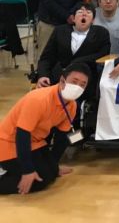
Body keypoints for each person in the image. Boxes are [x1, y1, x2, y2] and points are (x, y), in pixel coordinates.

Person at [0, 62, 92, 195]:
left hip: (36, 143)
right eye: (74, 81)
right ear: (62, 81)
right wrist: (27, 170)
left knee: (50, 173)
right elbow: (22, 134)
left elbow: (62, 137)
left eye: (83, 85)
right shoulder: (38, 99)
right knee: (39, 180)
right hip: (9, 142)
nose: (78, 87)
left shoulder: (72, 106)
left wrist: (54, 167)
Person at [36, 2, 110, 105]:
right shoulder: (60, 31)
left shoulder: (101, 33)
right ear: (73, 18)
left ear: (93, 20)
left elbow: (103, 54)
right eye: (80, 12)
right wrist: (43, 75)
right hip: (59, 76)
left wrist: (77, 61)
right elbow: (46, 57)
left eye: (88, 12)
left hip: (86, 78)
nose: (84, 14)